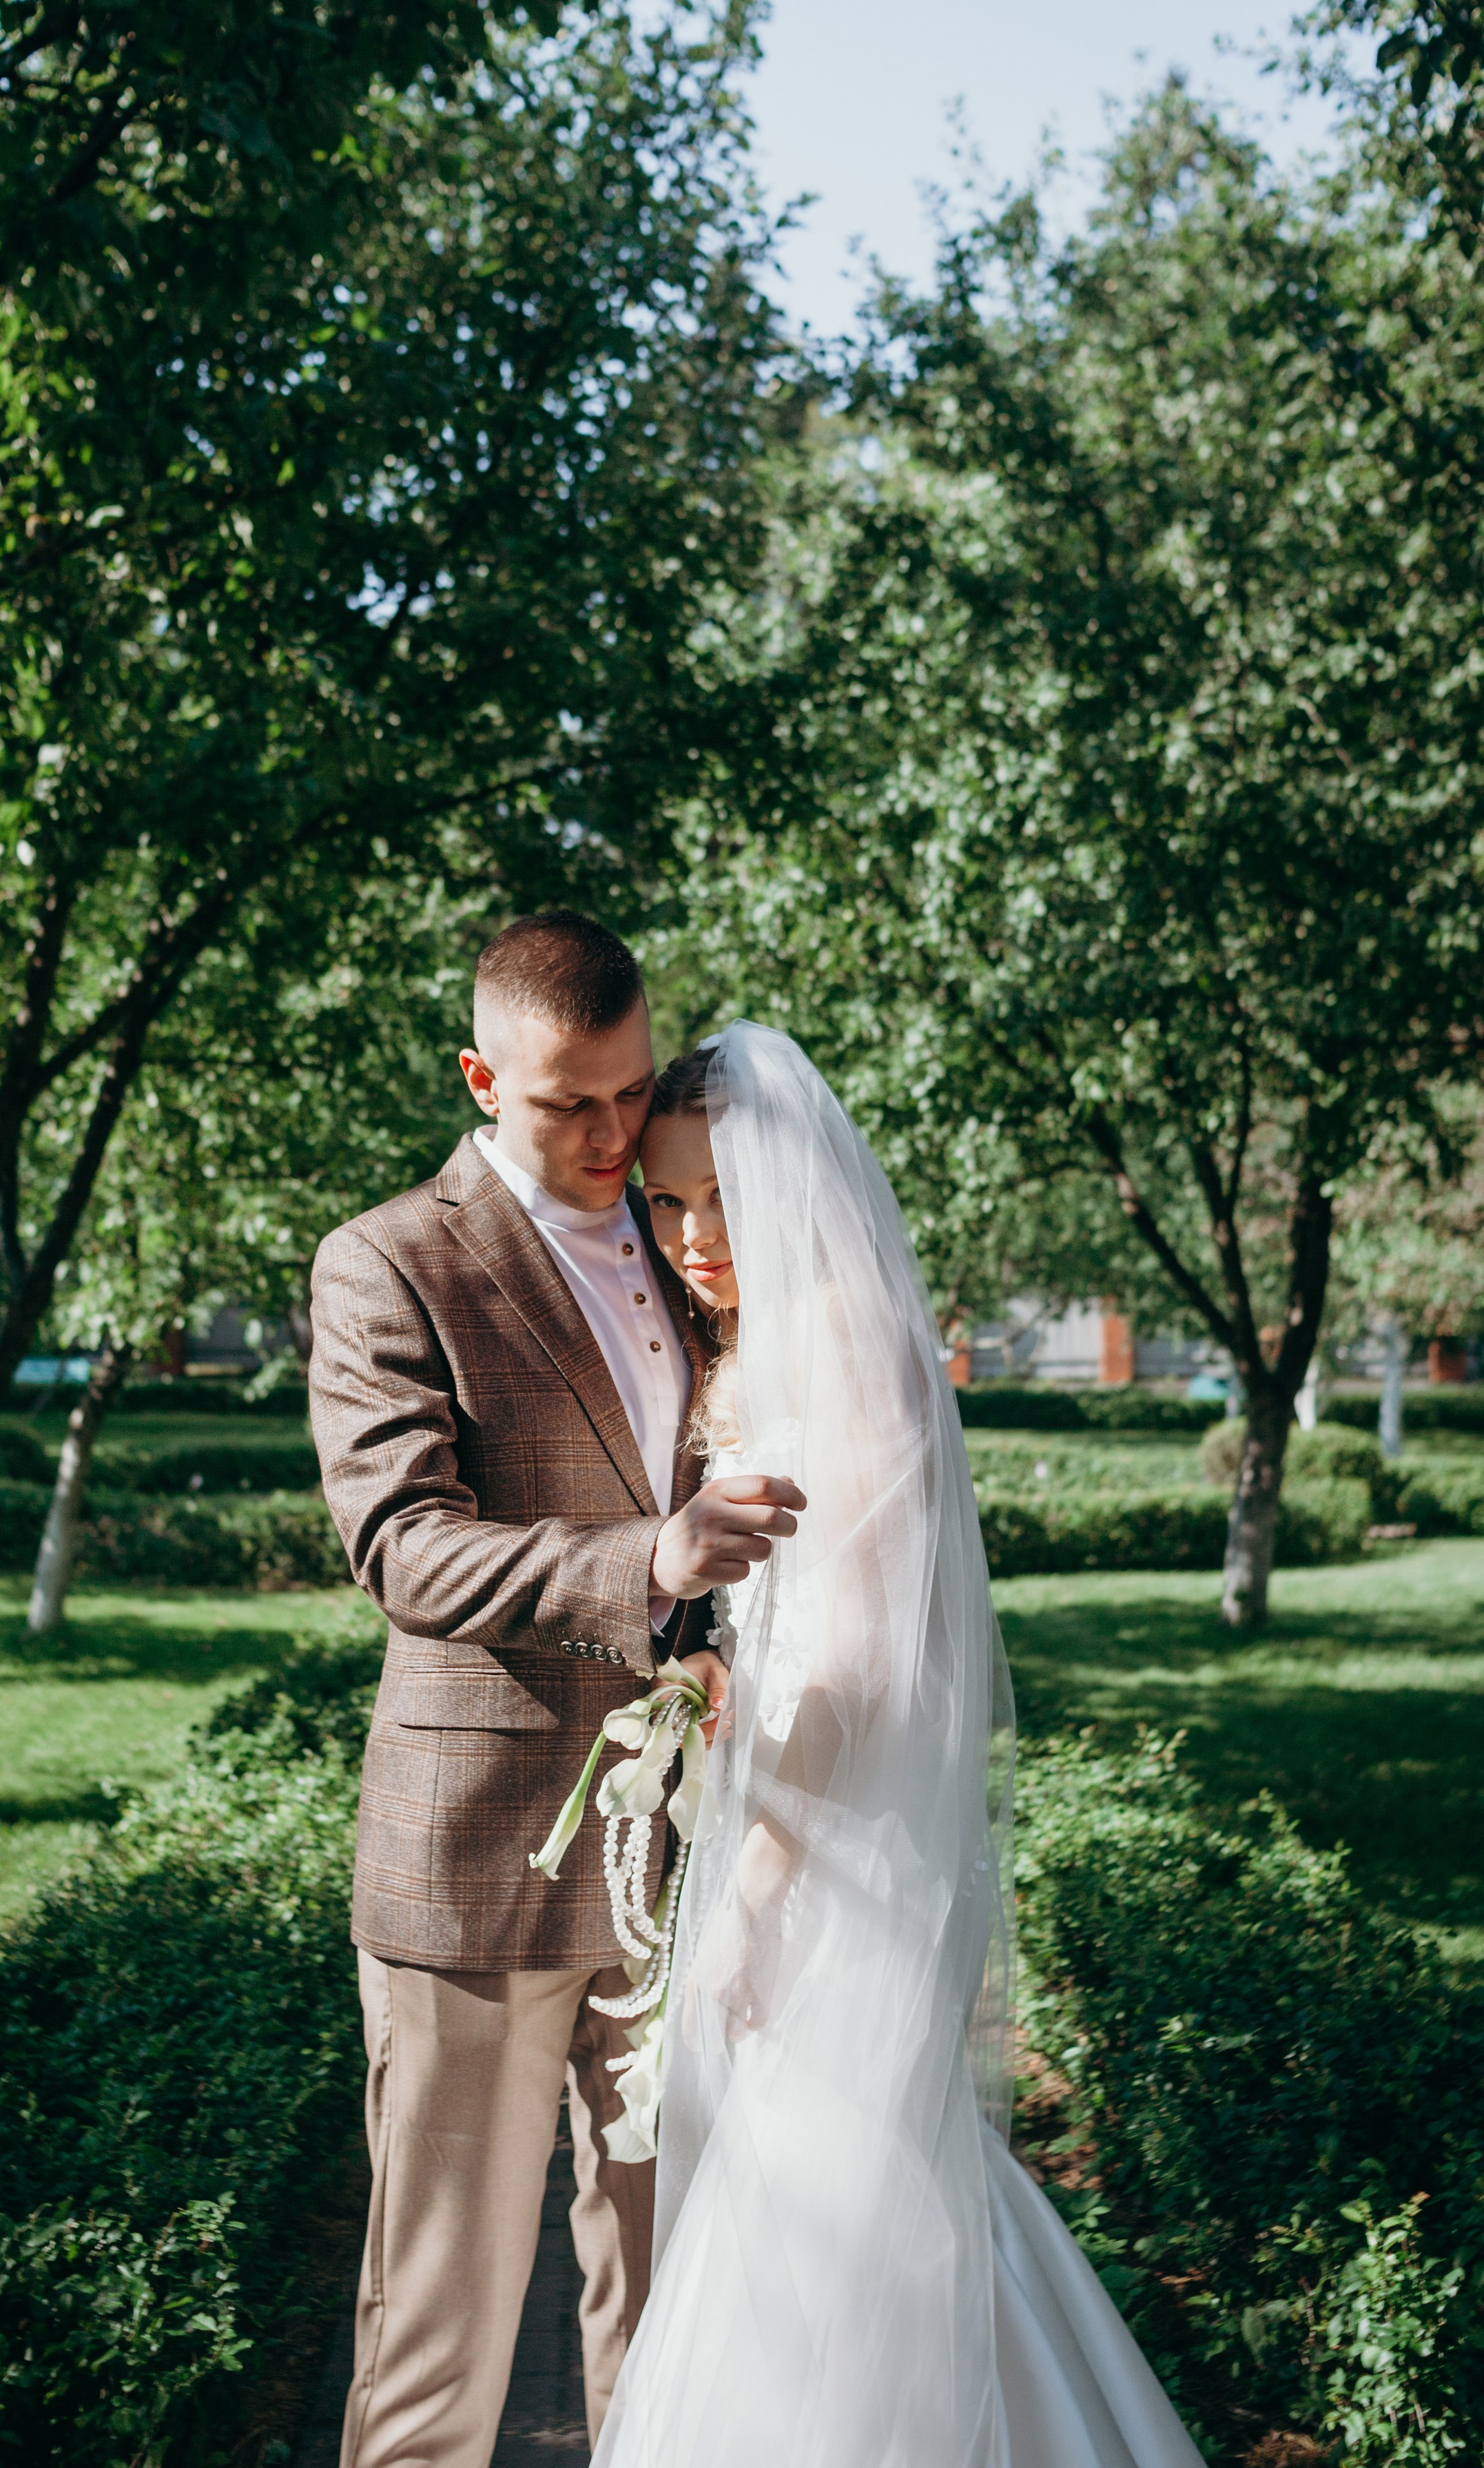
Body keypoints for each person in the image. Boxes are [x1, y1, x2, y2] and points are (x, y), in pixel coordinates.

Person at [593, 1022, 1205, 2468]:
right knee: (842, 2215)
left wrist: (752, 1890)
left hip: (836, 1857)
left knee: (838, 2219)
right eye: (664, 1203)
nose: (689, 1239)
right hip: (790, 1814)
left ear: (788, 1197)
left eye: (716, 1204)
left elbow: (859, 1662)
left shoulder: (850, 1359)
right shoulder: (756, 1353)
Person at [307, 916, 801, 2468]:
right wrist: (644, 1564)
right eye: (565, 1104)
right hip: (476, 1868)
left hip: (677, 1867)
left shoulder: (688, 1228)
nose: (608, 1137)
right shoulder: (390, 1261)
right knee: (438, 2335)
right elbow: (402, 1549)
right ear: (477, 1077)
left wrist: (711, 1632)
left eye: (628, 1095)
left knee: (667, 2315)